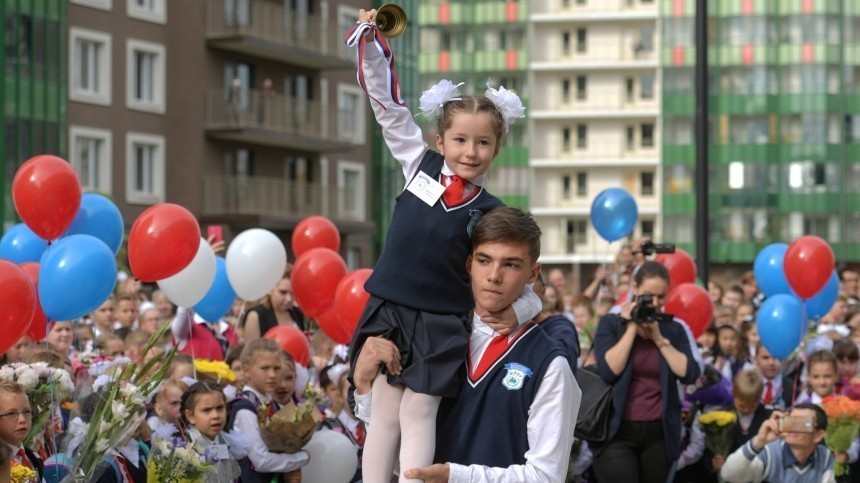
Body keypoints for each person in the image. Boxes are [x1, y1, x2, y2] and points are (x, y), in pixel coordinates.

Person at [345, 9, 540, 483]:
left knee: (419, 412)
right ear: (439, 139)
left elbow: (524, 273)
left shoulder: (494, 212)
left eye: (483, 143)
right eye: (459, 140)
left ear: (497, 148)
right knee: (385, 411)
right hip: (389, 307)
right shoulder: (420, 165)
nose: (469, 152)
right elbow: (389, 109)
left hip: (441, 321)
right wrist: (371, 45)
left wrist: (523, 311)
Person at [355, 207, 580, 482]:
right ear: (469, 264)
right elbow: (402, 464)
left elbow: (546, 477)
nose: (494, 276)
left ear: (533, 273)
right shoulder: (430, 341)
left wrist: (457, 476)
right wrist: (365, 392)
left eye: (511, 264)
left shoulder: (549, 364)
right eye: (485, 260)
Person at [590, 261, 701, 483]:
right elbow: (610, 370)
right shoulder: (612, 323)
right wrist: (631, 328)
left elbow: (689, 373)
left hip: (659, 434)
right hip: (616, 432)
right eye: (649, 296)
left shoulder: (674, 328)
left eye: (662, 297)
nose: (656, 303)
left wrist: (659, 339)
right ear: (636, 289)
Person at [225, 339, 308, 481]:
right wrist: (302, 457)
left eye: (276, 368)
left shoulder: (269, 403)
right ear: (246, 370)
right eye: (265, 368)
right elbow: (261, 461)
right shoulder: (245, 409)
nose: (272, 375)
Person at [720, 403, 835, 483]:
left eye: (802, 424)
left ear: (819, 435)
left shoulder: (824, 457)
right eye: (790, 421)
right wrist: (759, 441)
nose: (793, 428)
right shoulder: (770, 454)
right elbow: (728, 475)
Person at [702, 370, 772, 480]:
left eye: (752, 406)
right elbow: (708, 449)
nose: (746, 409)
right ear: (734, 394)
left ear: (759, 399)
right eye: (742, 405)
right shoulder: (720, 416)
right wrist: (712, 462)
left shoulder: (767, 417)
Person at [180, 381, 242, 483]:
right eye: (206, 410)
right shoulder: (183, 450)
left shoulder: (224, 441)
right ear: (190, 416)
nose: (215, 416)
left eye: (220, 408)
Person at [242, 267, 305, 340]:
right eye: (283, 292)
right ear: (270, 289)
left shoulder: (297, 313)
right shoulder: (256, 316)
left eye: (292, 293)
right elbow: (251, 349)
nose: (289, 299)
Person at [0, 381, 43, 480]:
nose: (22, 420)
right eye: (11, 414)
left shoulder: (34, 457)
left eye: (27, 412)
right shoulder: (2, 464)